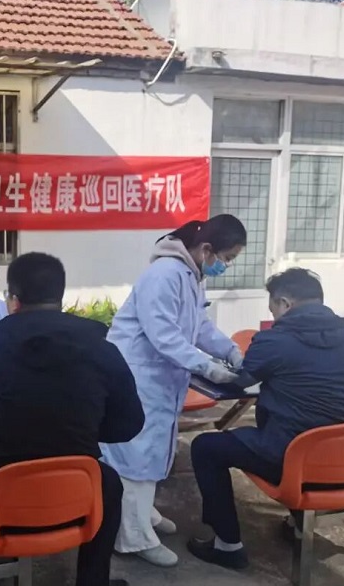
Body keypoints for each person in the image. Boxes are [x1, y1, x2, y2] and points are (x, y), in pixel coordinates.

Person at [0, 252, 144, 586]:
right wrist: (82, 428)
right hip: (74, 488)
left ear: (13, 300)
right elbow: (128, 423)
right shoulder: (103, 350)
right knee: (108, 482)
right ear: (60, 299)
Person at [188, 268, 344, 569]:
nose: (273, 315)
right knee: (308, 432)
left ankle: (227, 545)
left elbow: (240, 381)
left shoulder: (274, 340)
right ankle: (298, 526)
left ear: (284, 303)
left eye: (273, 308)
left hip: (294, 464)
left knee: (206, 447)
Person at [100, 214, 248, 568]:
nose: (226, 266)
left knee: (154, 450)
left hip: (159, 377)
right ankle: (132, 538)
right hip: (139, 376)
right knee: (136, 454)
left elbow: (198, 326)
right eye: (226, 258)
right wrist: (206, 366)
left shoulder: (191, 275)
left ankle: (141, 514)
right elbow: (164, 335)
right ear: (206, 248)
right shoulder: (165, 274)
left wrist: (230, 350)